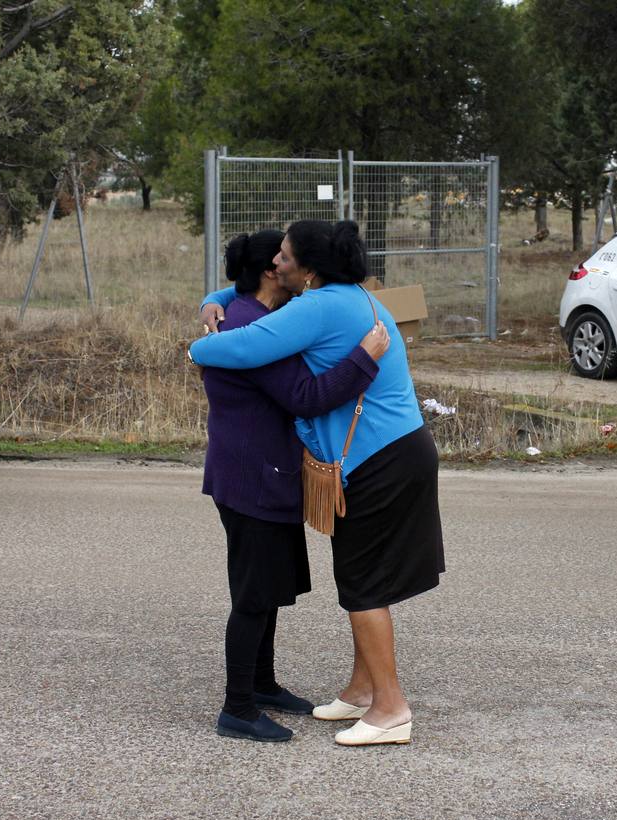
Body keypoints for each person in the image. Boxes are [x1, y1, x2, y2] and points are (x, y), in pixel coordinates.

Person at [190, 219, 444, 747]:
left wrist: (198, 346)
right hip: (395, 450)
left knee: (362, 581)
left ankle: (390, 709)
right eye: (274, 257)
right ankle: (361, 690)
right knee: (359, 576)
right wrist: (214, 298)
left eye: (286, 256)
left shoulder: (316, 308)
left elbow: (243, 348)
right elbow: (246, 297)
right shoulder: (350, 297)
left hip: (379, 457)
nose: (279, 263)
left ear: (307, 270)